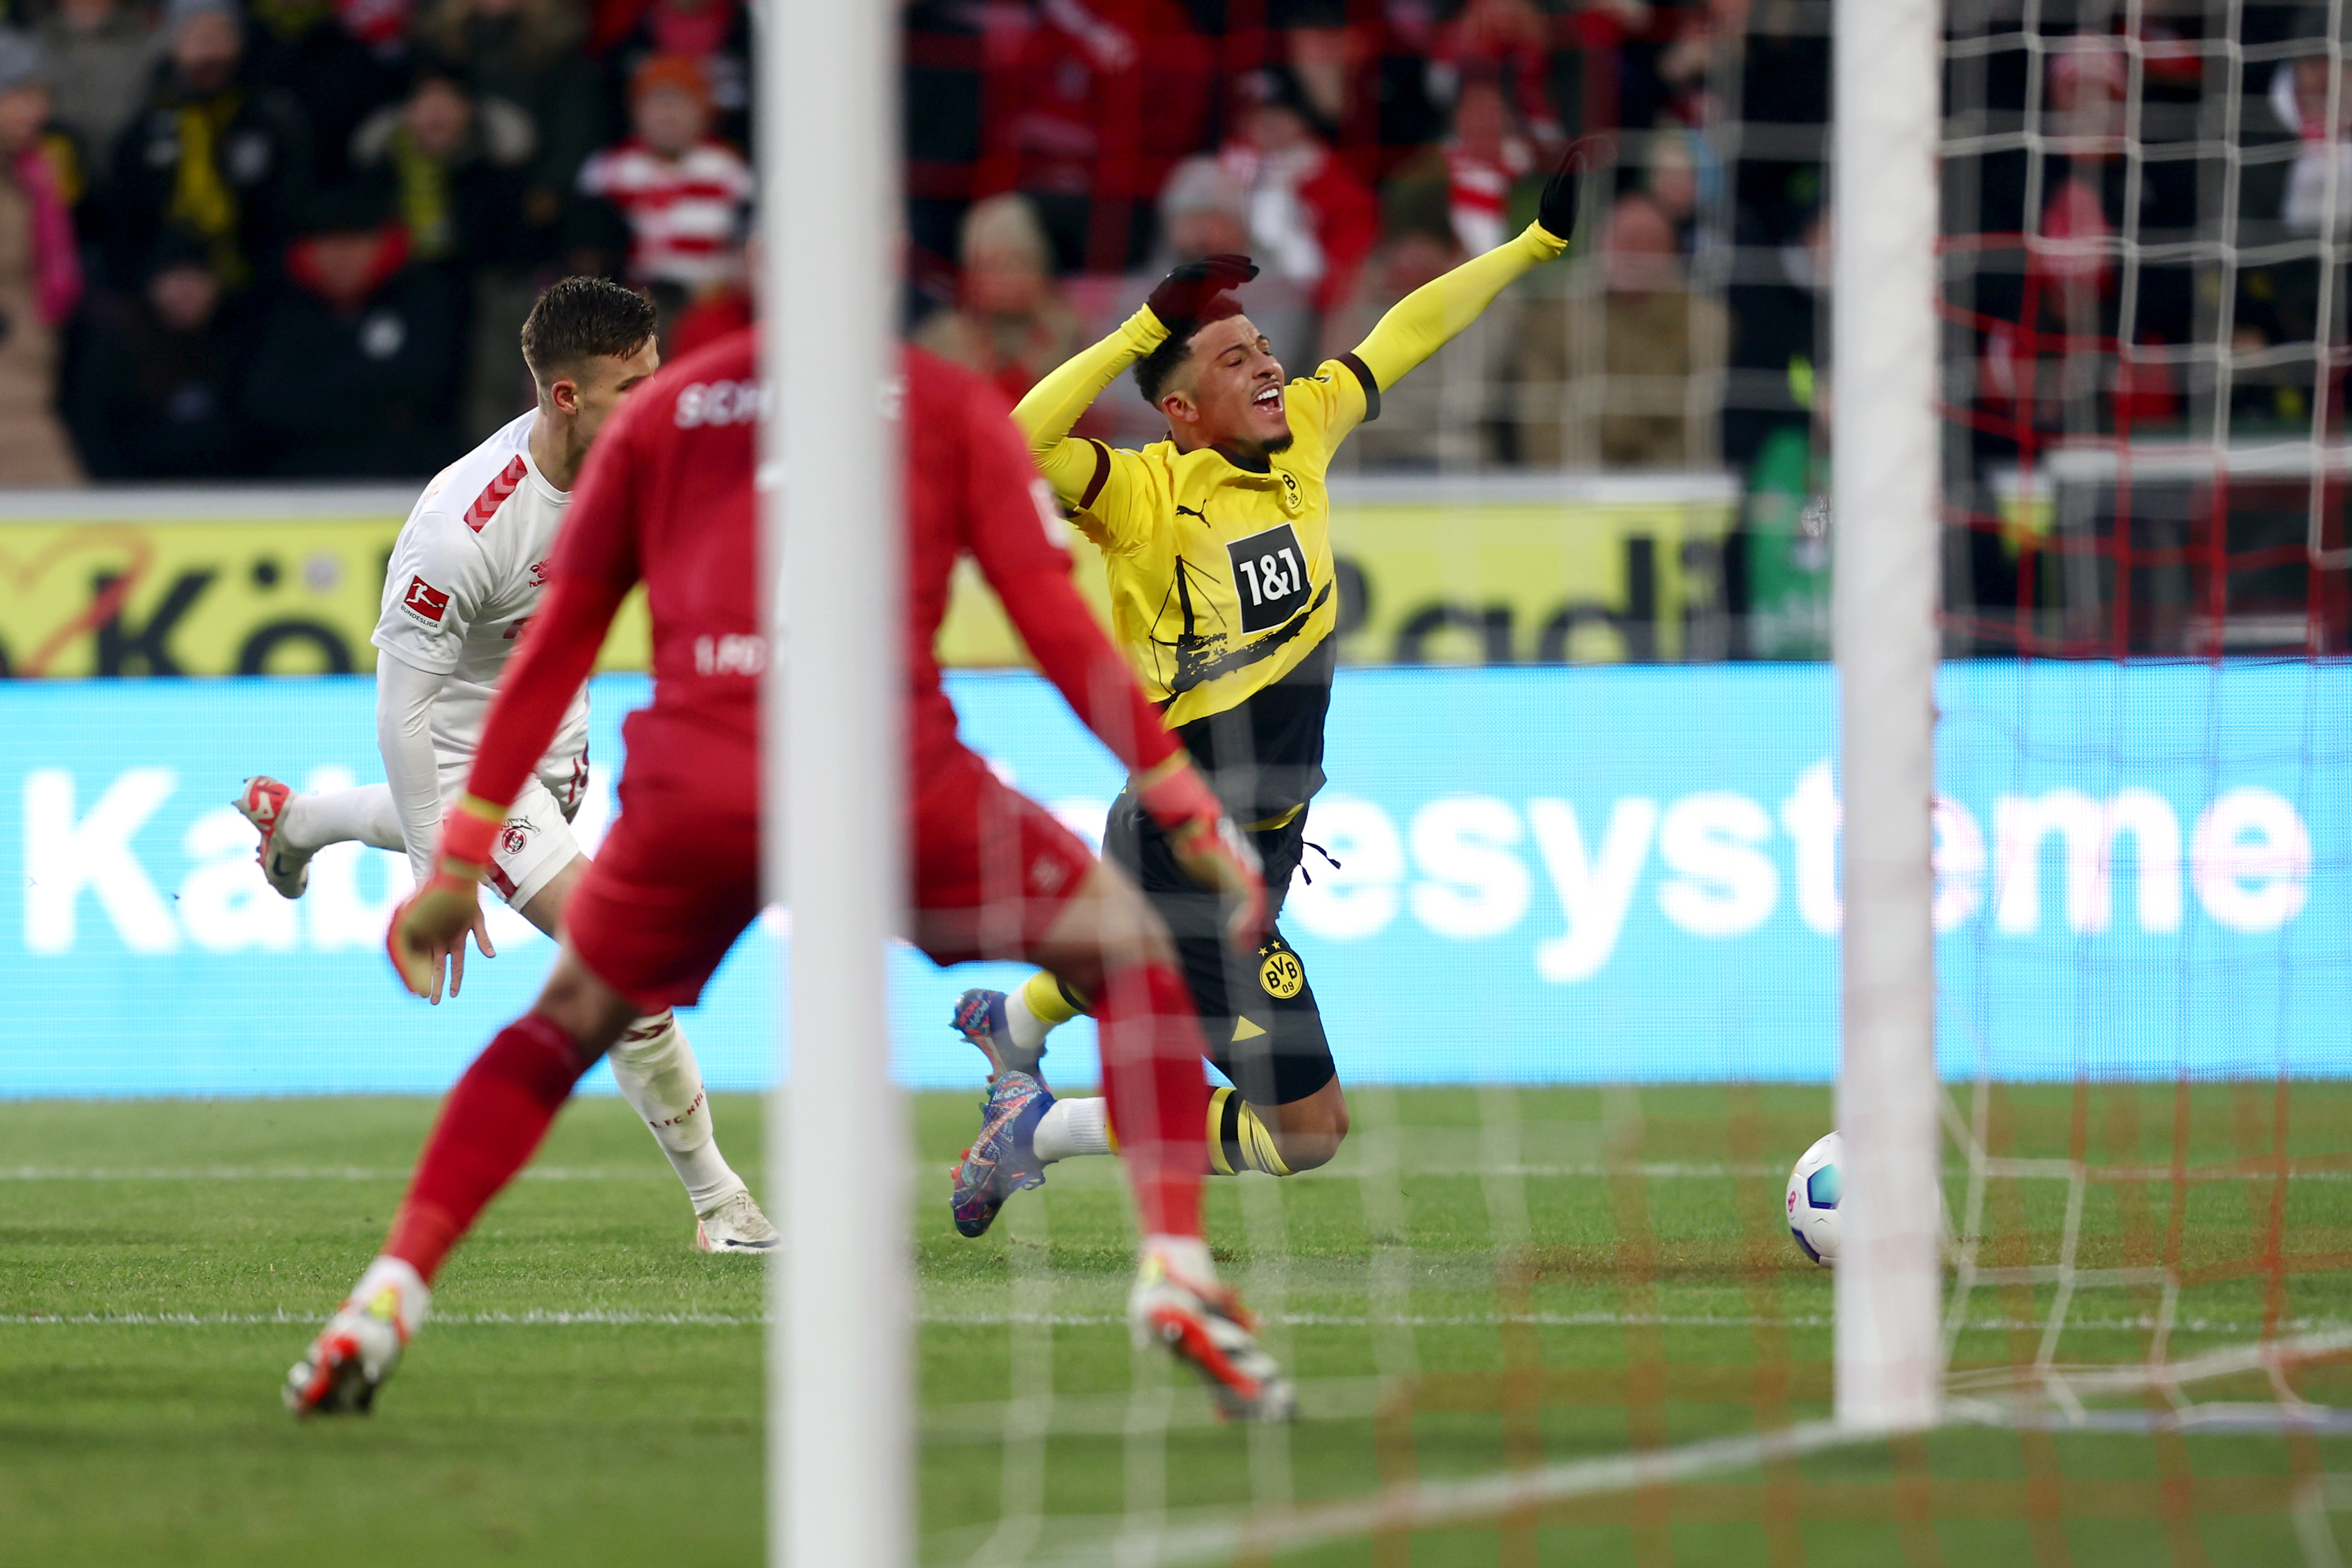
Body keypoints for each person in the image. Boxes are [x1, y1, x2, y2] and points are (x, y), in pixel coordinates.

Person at [281, 330, 1296, 1425]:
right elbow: (1051, 623)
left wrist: (459, 857)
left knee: (565, 1020)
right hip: (892, 774)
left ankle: (389, 1293)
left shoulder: (665, 414)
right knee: (1132, 947)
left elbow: (560, 644)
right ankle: (1177, 1265)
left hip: (704, 784)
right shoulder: (949, 405)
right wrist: (1179, 794)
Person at [940, 148, 1586, 1226]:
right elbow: (1019, 440)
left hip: (1267, 828)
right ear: (1184, 408)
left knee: (1136, 965)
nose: (1269, 366)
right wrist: (1143, 332)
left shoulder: (1308, 441)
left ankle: (1012, 1020)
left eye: (1265, 346)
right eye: (1235, 359)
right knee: (1309, 1131)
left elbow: (1406, 332)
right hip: (1193, 845)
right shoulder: (1143, 493)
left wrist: (1534, 244)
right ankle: (1038, 1125)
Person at [234, 277, 776, 1254]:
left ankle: (298, 822)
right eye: (633, 384)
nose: (659, 399)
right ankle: (721, 1204)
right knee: (623, 962)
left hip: (559, 735)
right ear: (567, 397)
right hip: (460, 746)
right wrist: (436, 874)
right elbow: (401, 710)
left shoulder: (647, 456)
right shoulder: (463, 529)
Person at [240, 180, 463, 476]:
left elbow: (428, 385)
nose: (341, 257)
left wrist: (322, 387)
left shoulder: (419, 298)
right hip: (299, 472)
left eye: (353, 242)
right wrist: (375, 399)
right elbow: (267, 401)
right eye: (329, 243)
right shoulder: (282, 307)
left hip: (406, 470)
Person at [65, 226, 255, 477]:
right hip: (134, 496)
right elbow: (93, 428)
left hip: (231, 498)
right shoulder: (119, 346)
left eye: (197, 277)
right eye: (176, 277)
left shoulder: (238, 342)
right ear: (152, 284)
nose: (187, 290)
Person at [573, 52, 750, 315]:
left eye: (680, 102)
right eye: (657, 102)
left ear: (704, 111)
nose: (668, 114)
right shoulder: (606, 173)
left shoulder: (731, 172)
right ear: (635, 110)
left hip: (708, 306)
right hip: (627, 310)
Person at [0, 31, 84, 484]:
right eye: (24, 96)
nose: (40, 112)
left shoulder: (31, 173)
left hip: (30, 373)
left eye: (43, 98)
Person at [911, 192, 1080, 404]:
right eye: (992, 266)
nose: (1007, 279)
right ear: (969, 274)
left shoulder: (1065, 331)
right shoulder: (942, 338)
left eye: (1021, 263)